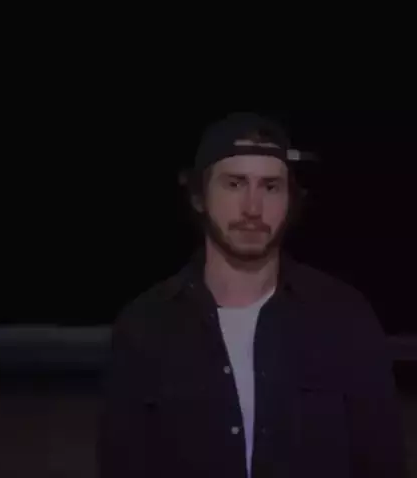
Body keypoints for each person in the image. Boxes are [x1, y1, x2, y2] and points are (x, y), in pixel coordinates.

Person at [98, 113, 407, 478]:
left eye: (270, 187)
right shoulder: (145, 327)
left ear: (290, 200)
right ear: (199, 196)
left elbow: (383, 462)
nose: (252, 208)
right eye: (234, 184)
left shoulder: (344, 319)